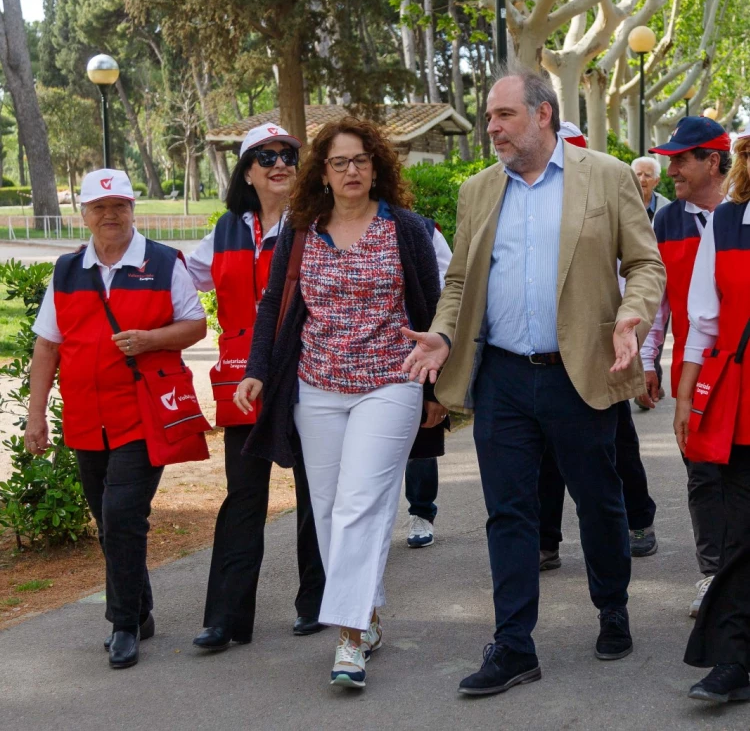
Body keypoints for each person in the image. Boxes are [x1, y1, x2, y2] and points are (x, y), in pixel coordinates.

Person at [402, 64, 665, 696]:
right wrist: (442, 331)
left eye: (503, 115)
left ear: (542, 115)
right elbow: (461, 279)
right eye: (490, 117)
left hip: (580, 373)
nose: (491, 128)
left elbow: (645, 263)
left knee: (599, 501)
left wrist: (631, 316)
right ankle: (514, 644)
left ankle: (613, 608)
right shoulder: (478, 191)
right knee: (509, 512)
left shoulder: (606, 176)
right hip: (502, 378)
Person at [235, 116, 444, 690]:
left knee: (360, 503)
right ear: (322, 173)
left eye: (361, 160)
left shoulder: (405, 228)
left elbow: (431, 306)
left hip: (390, 381)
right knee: (327, 509)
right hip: (316, 386)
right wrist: (257, 371)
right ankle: (367, 613)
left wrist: (436, 387)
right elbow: (274, 301)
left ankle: (349, 638)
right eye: (339, 162)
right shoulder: (302, 229)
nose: (352, 171)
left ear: (376, 166)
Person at [25, 169, 207, 669]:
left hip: (143, 414)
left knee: (122, 515)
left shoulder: (164, 261)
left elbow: (195, 324)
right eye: (99, 207)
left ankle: (122, 624)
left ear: (133, 209)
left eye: (119, 206)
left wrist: (150, 340)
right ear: (83, 214)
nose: (110, 216)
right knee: (110, 526)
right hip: (86, 419)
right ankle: (141, 609)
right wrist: (36, 415)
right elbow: (47, 347)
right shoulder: (66, 271)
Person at [186, 124, 326, 652]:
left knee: (317, 493)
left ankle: (318, 602)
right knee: (243, 498)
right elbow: (180, 279)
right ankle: (226, 619)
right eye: (264, 156)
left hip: (308, 379)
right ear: (246, 172)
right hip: (242, 388)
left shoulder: (317, 224)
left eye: (288, 154)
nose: (279, 163)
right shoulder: (222, 232)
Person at [538, 127, 659, 568]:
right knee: (546, 458)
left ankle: (639, 519)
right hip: (547, 352)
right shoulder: (535, 203)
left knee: (618, 444)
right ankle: (545, 539)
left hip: (604, 349)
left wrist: (640, 351)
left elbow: (638, 273)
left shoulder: (606, 191)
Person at [677, 125, 750, 702]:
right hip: (739, 400)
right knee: (738, 537)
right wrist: (684, 393)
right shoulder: (726, 223)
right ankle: (732, 660)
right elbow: (702, 319)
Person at [649, 116, 731, 617]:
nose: (671, 168)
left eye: (681, 158)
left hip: (739, 371)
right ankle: (713, 576)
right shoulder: (665, 221)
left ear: (713, 162)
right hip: (692, 373)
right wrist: (646, 362)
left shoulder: (742, 215)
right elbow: (658, 303)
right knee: (702, 476)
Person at [405, 222, 452, 549]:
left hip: (418, 350)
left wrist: (439, 388)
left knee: (421, 435)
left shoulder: (421, 229)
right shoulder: (328, 225)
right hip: (358, 364)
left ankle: (421, 512)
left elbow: (449, 294)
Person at [631, 156, 670, 410]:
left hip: (658, 277)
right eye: (638, 174)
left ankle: (651, 376)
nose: (642, 179)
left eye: (647, 175)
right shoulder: (624, 203)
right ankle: (638, 381)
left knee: (656, 327)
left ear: (656, 180)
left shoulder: (666, 210)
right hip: (628, 277)